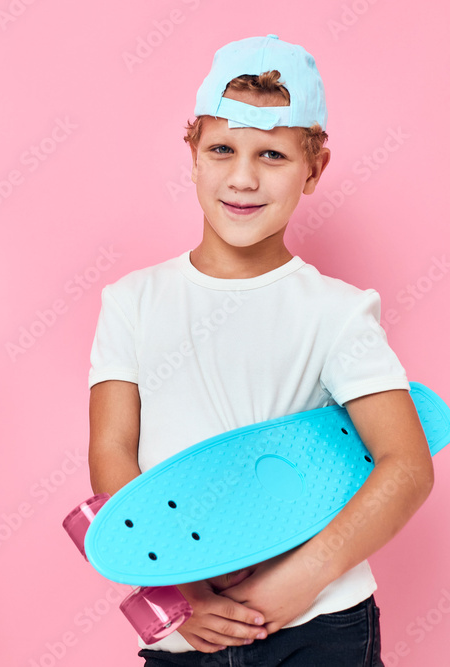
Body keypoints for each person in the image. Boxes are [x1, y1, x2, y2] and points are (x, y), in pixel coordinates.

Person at [87, 35, 433, 665]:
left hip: (321, 623)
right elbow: (114, 453)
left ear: (314, 169)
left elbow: (406, 466)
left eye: (272, 154)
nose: (243, 178)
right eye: (222, 149)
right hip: (186, 629)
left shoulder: (338, 310)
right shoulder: (132, 301)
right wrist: (180, 592)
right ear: (192, 154)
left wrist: (294, 585)